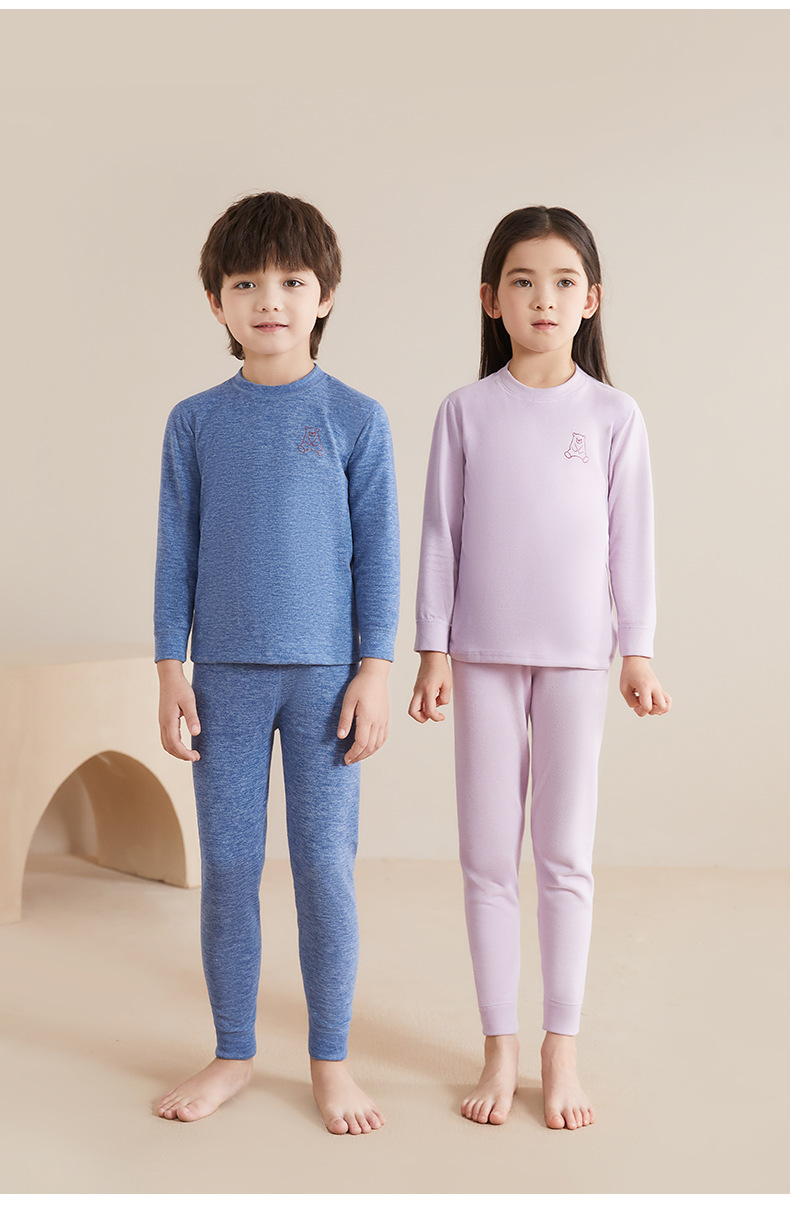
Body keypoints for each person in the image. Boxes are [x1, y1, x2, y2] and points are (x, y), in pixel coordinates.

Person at [409, 206, 671, 1131]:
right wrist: (431, 650)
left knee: (564, 856)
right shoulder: (465, 411)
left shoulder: (613, 415)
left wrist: (637, 648)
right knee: (487, 858)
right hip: (480, 656)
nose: (543, 298)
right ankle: (500, 1047)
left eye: (563, 282)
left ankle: (562, 1048)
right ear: (492, 299)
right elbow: (440, 536)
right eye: (522, 281)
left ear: (591, 299)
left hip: (577, 661)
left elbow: (630, 539)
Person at [154, 192, 399, 1133]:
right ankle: (233, 1052)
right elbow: (175, 551)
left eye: (293, 281)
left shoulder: (356, 418)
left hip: (327, 684)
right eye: (247, 283)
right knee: (227, 866)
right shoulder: (194, 422)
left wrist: (375, 669)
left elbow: (378, 554)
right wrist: (169, 669)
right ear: (216, 301)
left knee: (324, 870)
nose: (270, 300)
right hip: (222, 678)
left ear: (325, 294)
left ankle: (330, 1059)